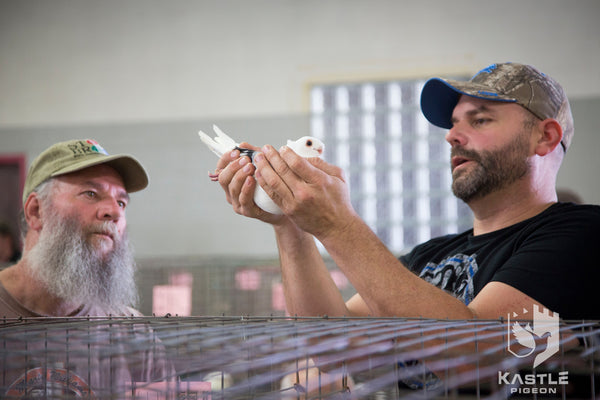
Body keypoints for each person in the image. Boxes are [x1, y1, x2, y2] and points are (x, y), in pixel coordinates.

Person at [212, 62, 600, 324]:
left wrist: (337, 225)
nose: (452, 136)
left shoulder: (582, 235)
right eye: (452, 124)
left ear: (545, 137)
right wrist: (290, 225)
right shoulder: (429, 258)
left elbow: (475, 350)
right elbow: (333, 342)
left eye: (481, 119)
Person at [0, 139, 173, 397]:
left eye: (122, 203)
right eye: (90, 194)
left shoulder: (135, 335)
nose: (113, 211)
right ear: (36, 211)